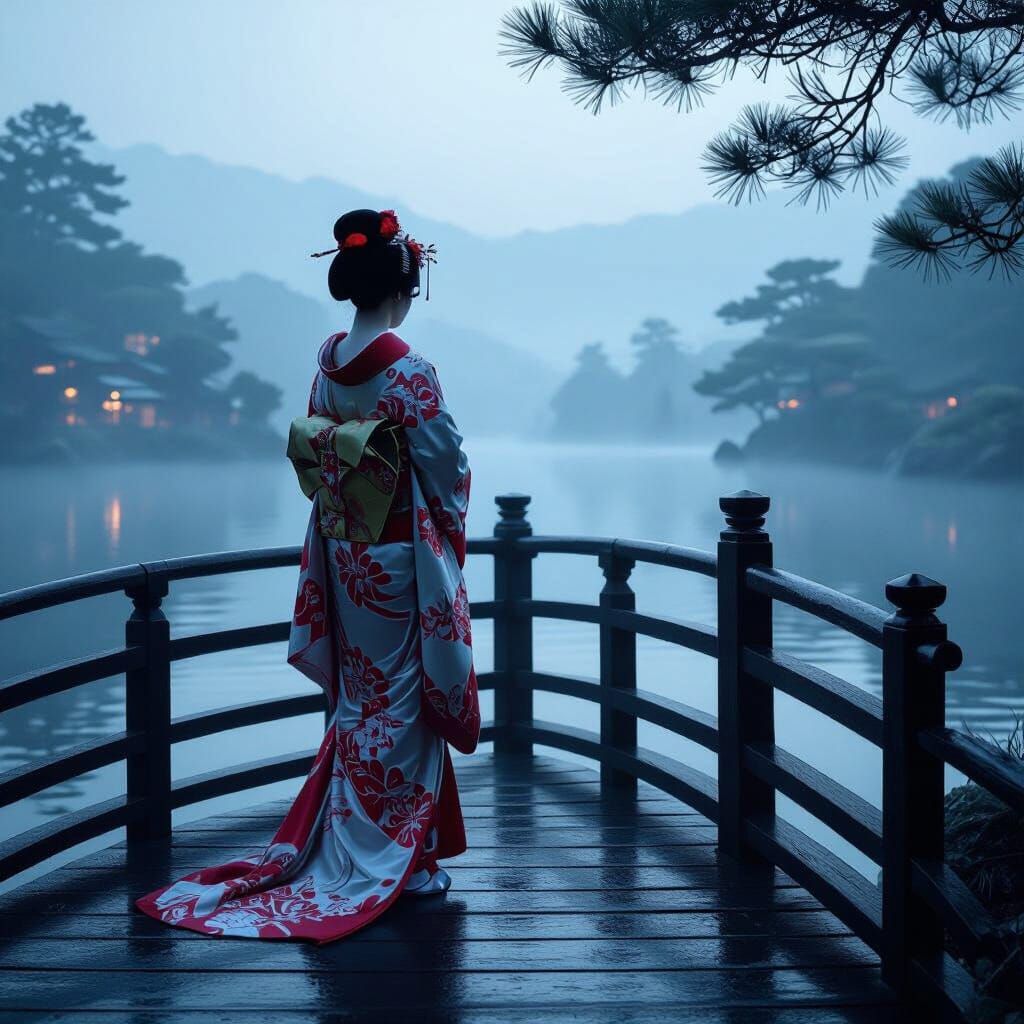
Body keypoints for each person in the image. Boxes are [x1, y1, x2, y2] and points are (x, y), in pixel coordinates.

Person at [135, 208, 478, 942]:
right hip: (400, 560)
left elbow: (328, 453)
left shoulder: (327, 362)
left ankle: (367, 842)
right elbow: (447, 467)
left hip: (345, 548)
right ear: (406, 285)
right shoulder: (409, 372)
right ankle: (399, 863)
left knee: (361, 701)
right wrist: (447, 527)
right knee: (406, 708)